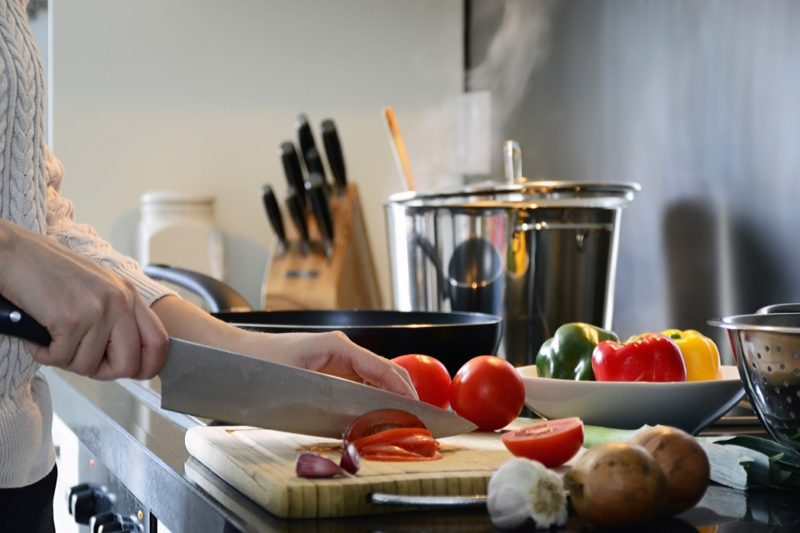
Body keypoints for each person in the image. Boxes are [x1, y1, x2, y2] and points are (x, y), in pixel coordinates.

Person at [0, 2, 415, 532]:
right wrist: (9, 251)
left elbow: (35, 212)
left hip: (19, 475)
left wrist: (251, 352)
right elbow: (19, 241)